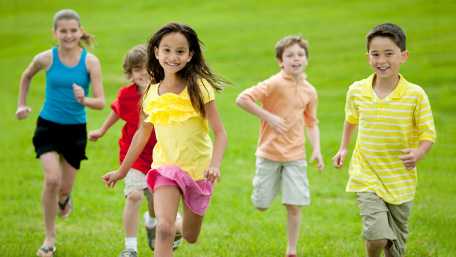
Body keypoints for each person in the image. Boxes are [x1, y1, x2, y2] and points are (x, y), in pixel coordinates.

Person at [102, 22, 227, 257]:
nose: (173, 56)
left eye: (180, 51)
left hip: (197, 169)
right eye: (166, 50)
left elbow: (220, 132)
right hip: (165, 167)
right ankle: (168, 227)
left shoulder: (199, 87)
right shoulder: (151, 92)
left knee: (190, 235)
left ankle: (181, 226)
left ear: (190, 55)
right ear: (156, 52)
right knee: (163, 228)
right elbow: (142, 133)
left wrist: (215, 165)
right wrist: (122, 171)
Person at [332, 23, 436, 257]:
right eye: (375, 54)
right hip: (366, 173)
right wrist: (343, 148)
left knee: (395, 250)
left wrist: (418, 153)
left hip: (400, 179)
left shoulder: (415, 94)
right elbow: (351, 119)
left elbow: (428, 133)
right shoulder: (357, 90)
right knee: (377, 235)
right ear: (367, 56)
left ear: (404, 56)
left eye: (389, 53)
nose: (382, 60)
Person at [15, 9, 105, 257]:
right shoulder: (46, 58)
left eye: (73, 30)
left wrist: (83, 99)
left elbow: (100, 102)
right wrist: (21, 104)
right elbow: (26, 76)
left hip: (75, 131)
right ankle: (49, 238)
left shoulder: (90, 62)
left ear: (80, 31)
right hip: (48, 126)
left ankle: (64, 200)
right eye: (63, 31)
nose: (68, 35)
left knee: (64, 188)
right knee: (51, 179)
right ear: (54, 33)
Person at [89, 44, 181, 257]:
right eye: (137, 69)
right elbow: (116, 112)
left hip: (161, 156)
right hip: (134, 157)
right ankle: (130, 247)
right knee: (133, 196)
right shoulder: (126, 95)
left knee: (154, 202)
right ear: (129, 73)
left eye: (147, 68)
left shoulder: (164, 93)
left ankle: (151, 222)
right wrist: (102, 130)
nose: (143, 73)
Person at [236, 35, 324, 257]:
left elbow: (311, 122)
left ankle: (291, 250)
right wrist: (269, 117)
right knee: (262, 204)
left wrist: (317, 150)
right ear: (280, 61)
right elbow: (242, 99)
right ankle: (268, 187)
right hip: (269, 153)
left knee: (294, 204)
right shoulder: (274, 83)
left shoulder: (310, 91)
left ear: (307, 59)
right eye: (290, 55)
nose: (296, 59)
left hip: (296, 155)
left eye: (300, 55)